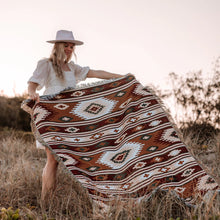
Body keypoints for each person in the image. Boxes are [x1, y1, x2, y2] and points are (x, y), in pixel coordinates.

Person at [27, 30, 124, 200]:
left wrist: (122, 78)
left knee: (83, 158)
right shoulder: (46, 64)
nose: (69, 48)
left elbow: (97, 73)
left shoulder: (72, 68)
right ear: (57, 46)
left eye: (72, 46)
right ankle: (46, 202)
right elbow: (32, 83)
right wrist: (32, 93)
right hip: (52, 115)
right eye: (66, 45)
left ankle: (99, 195)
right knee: (53, 160)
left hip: (71, 118)